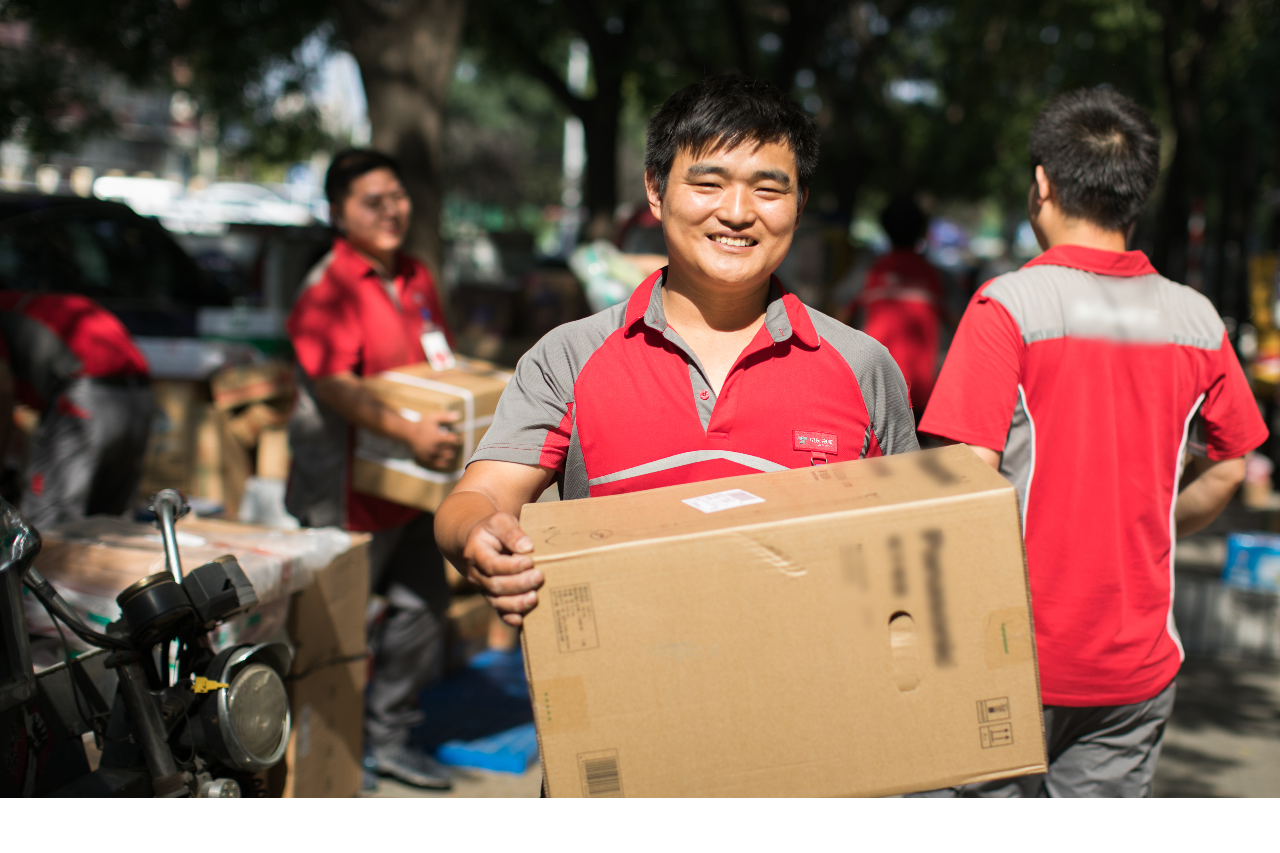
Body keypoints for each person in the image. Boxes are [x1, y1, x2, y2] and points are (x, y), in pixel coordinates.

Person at [435, 75, 917, 630]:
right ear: (655, 190)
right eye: (708, 184)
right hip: (626, 698)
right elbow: (479, 497)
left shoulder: (863, 366)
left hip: (815, 697)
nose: (737, 213)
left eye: (768, 189)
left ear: (799, 204)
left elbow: (912, 544)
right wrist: (479, 535)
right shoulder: (568, 357)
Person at [916, 88, 1267, 797]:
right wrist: (1152, 523)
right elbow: (1232, 468)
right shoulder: (1195, 320)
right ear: (1136, 194)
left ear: (1042, 184)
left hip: (1010, 659)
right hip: (1136, 671)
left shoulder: (1007, 306)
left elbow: (967, 477)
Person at [285, 149, 461, 790]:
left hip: (411, 483)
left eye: (397, 196)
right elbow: (336, 386)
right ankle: (321, 748)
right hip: (345, 489)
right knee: (335, 623)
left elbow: (439, 366)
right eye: (371, 202)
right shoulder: (327, 289)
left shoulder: (414, 274)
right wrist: (409, 430)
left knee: (424, 604)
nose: (391, 211)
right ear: (337, 213)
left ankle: (385, 737)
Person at [0, 291, 152, 528]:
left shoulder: (12, 312)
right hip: (139, 396)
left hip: (87, 397)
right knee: (110, 522)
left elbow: (3, 389)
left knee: (50, 520)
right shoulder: (43, 305)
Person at [841, 196, 949, 419]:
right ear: (921, 231)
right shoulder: (936, 277)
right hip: (921, 394)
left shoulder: (870, 271)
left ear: (884, 229)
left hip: (871, 388)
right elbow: (961, 325)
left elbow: (837, 318)